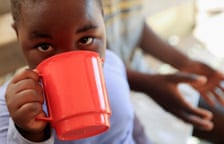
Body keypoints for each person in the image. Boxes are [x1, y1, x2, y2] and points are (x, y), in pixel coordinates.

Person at [102, 0, 224, 143]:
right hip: (108, 97)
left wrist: (184, 63)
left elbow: (132, 22)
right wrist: (147, 83)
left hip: (145, 78)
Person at [0, 0, 138, 143]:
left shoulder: (112, 63)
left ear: (102, 20)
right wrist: (28, 134)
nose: (71, 65)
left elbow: (131, 126)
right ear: (18, 35)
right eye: (45, 46)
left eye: (86, 39)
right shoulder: (10, 108)